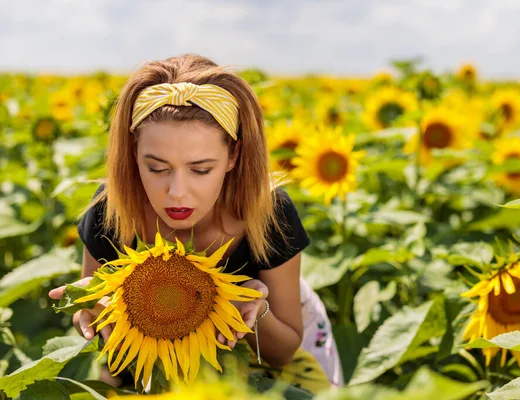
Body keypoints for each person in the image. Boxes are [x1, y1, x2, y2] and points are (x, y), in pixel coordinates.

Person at [48, 54, 342, 393]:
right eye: (156, 168)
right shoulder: (112, 210)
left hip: (273, 352)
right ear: (132, 153)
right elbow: (98, 310)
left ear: (233, 156)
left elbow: (283, 351)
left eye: (201, 170)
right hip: (162, 364)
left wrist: (252, 310)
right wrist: (88, 314)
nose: (177, 193)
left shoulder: (268, 213)